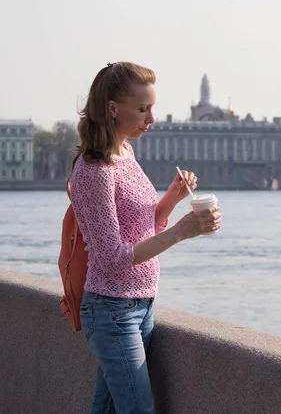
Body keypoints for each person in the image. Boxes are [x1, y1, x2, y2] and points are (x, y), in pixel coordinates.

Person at [69, 61, 221, 414]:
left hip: (141, 304)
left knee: (106, 409)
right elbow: (112, 258)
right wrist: (182, 232)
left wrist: (171, 198)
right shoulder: (95, 171)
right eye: (142, 109)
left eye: (151, 107)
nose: (151, 119)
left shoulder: (126, 152)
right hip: (112, 309)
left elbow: (139, 227)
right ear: (112, 109)